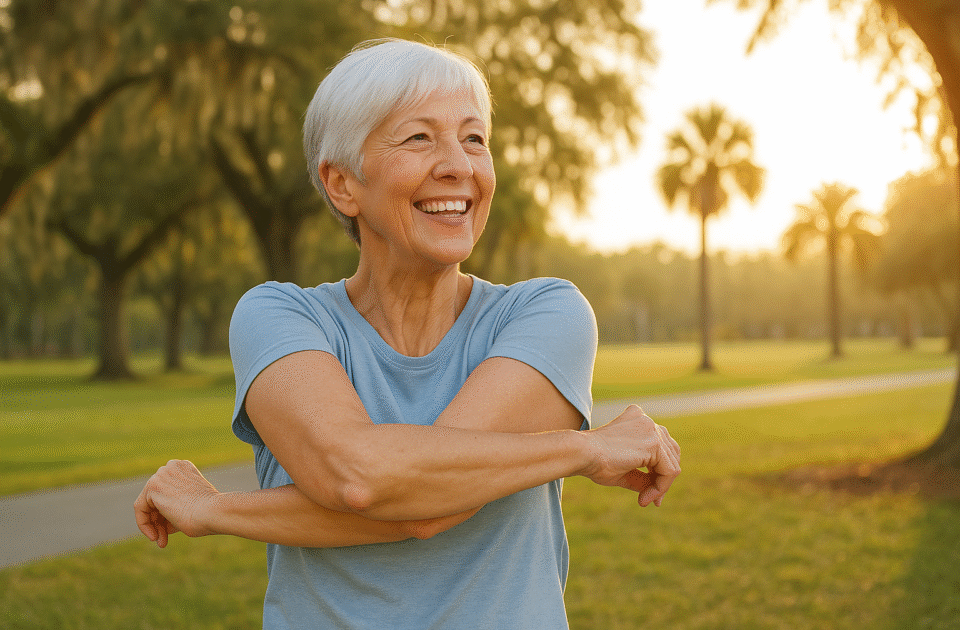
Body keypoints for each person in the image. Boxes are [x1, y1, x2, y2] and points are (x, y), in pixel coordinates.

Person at [134, 38, 680, 630]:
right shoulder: (280, 318)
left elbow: (417, 500)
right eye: (419, 138)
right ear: (342, 184)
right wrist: (583, 449)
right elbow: (364, 478)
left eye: (474, 138)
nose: (458, 165)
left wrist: (219, 510)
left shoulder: (545, 315)